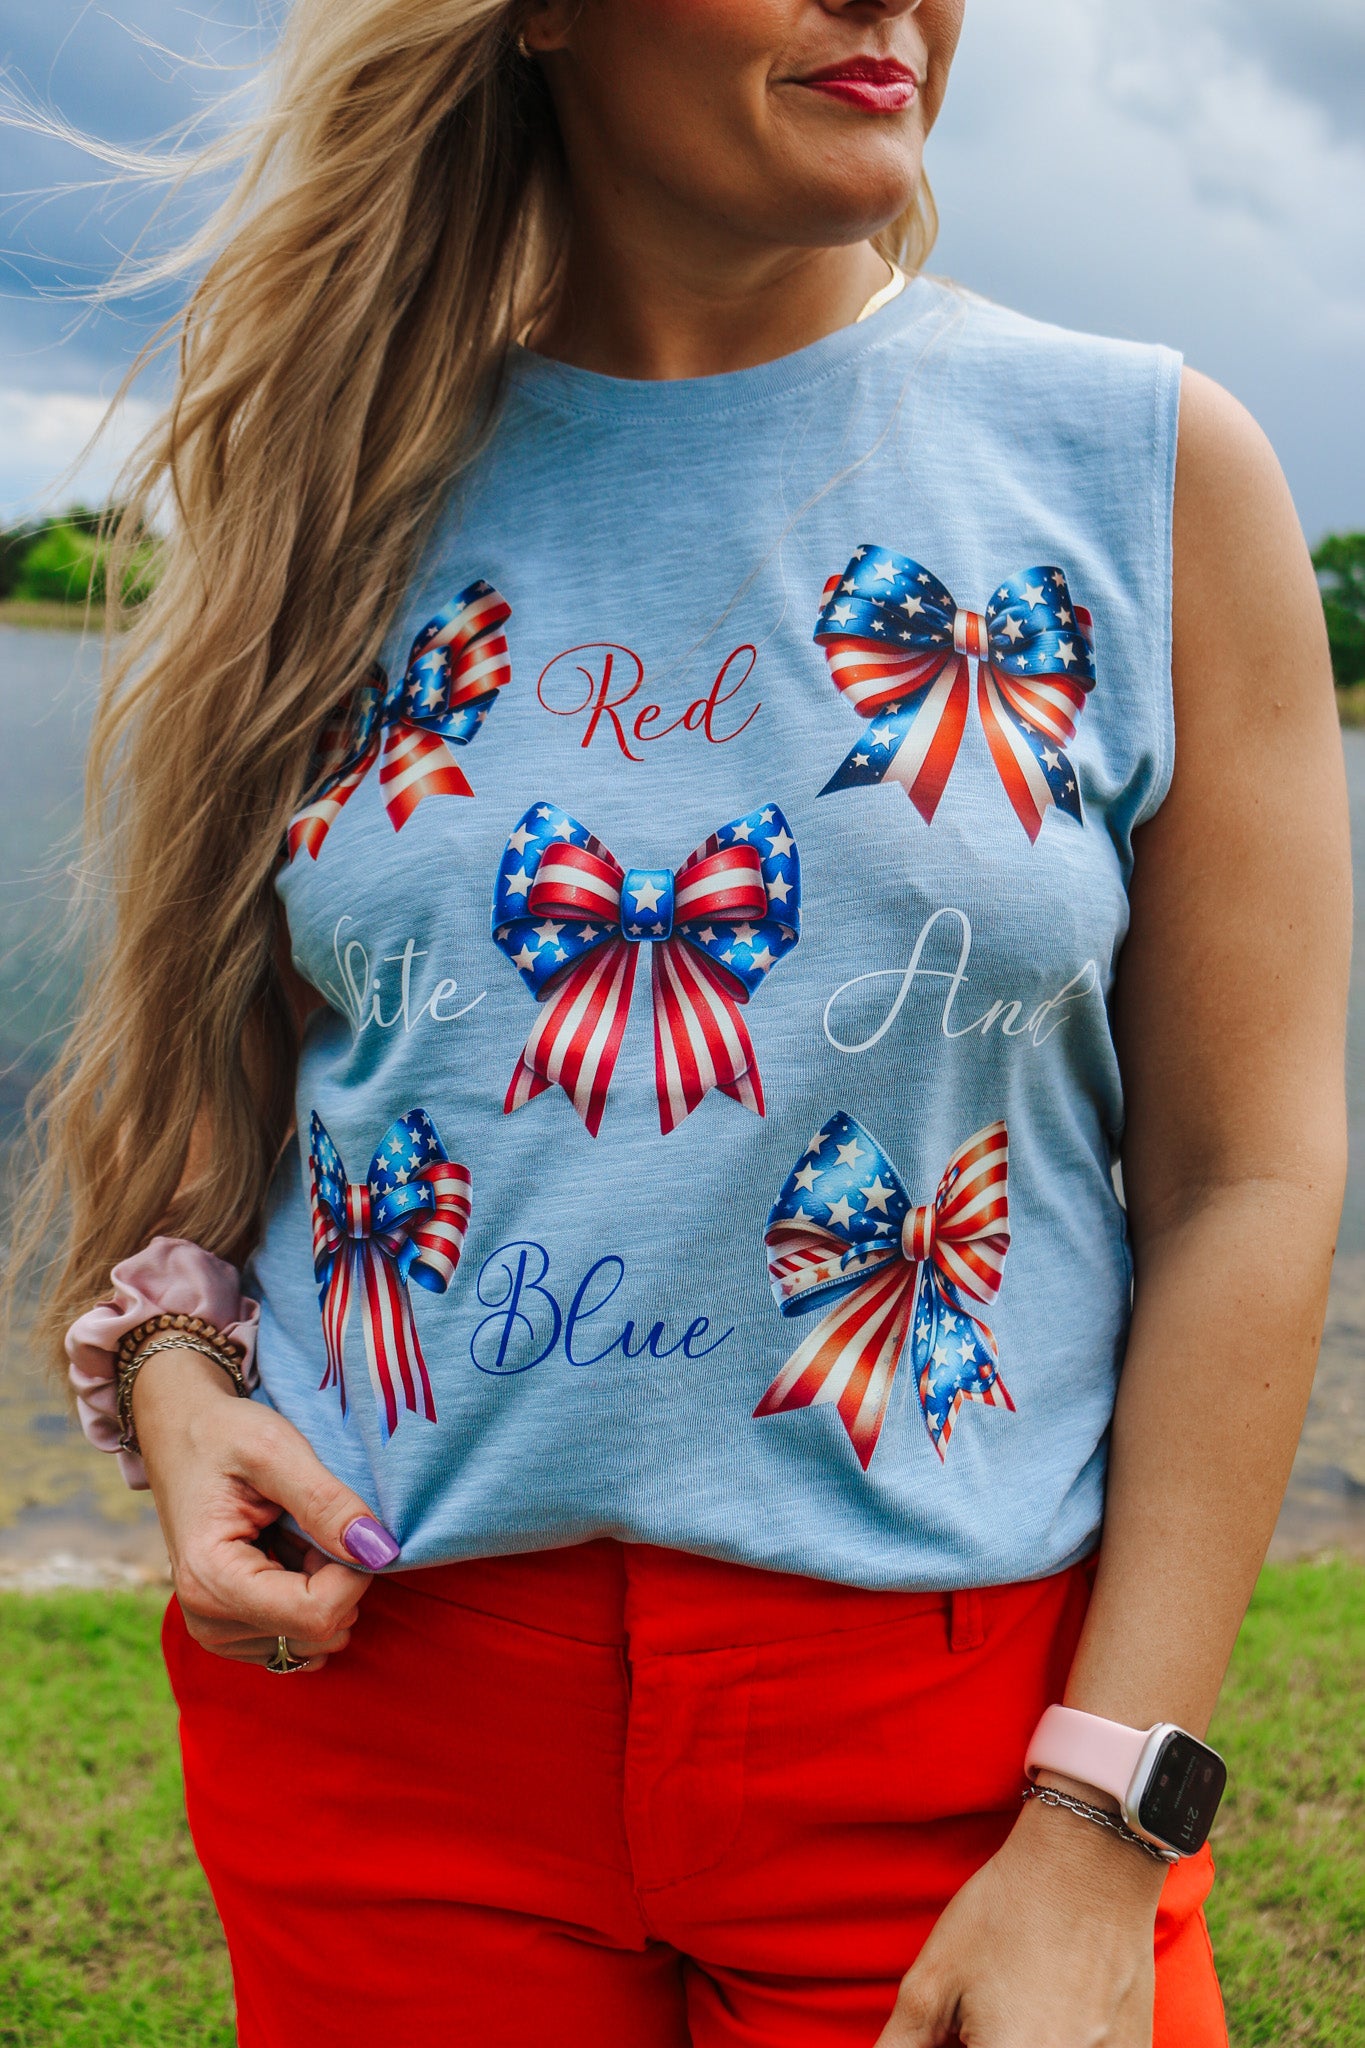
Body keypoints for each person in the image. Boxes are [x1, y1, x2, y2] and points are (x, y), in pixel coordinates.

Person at [23, 2, 1349, 2043]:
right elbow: (219, 1100)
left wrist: (1106, 1816)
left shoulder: (1143, 465)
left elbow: (1242, 1173)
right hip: (379, 1712)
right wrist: (187, 1380)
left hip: (967, 1739)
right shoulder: (330, 476)